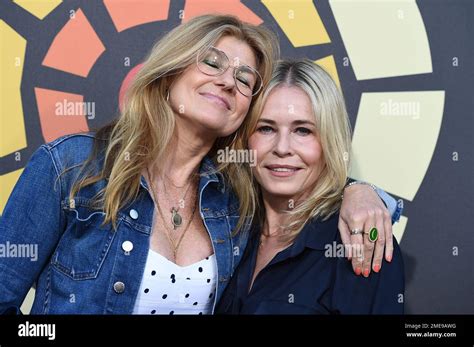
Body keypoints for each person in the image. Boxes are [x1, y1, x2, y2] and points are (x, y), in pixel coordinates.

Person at [0, 15, 400, 315]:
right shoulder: (70, 166)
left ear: (244, 112)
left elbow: (302, 178)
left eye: (245, 79)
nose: (228, 81)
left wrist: (359, 191)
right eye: (212, 63)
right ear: (170, 72)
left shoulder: (233, 203)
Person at [216, 59, 404, 314]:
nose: (282, 148)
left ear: (329, 141)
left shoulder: (360, 241)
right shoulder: (224, 227)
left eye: (303, 131)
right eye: (266, 128)